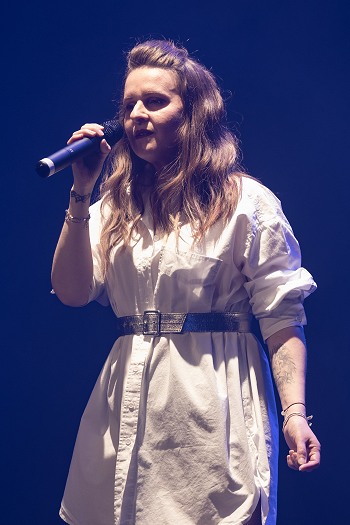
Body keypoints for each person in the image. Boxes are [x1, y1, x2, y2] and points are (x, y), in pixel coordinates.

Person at [51, 39, 321, 525]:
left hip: (209, 409)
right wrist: (81, 191)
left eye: (155, 101)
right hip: (125, 402)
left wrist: (294, 412)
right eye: (129, 103)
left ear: (193, 115)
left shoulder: (247, 203)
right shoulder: (115, 204)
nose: (136, 113)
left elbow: (281, 316)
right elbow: (71, 292)